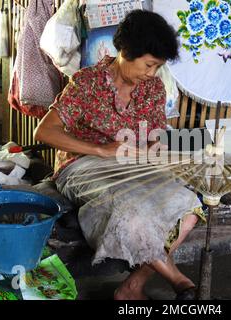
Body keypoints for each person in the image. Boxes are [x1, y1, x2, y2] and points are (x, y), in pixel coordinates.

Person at [34, 10, 203, 300]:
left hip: (132, 164)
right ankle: (177, 279)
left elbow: (155, 135)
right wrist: (101, 149)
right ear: (126, 51)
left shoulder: (153, 88)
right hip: (83, 163)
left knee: (187, 206)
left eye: (157, 67)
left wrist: (160, 149)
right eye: (148, 65)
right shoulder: (87, 82)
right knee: (130, 212)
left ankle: (132, 286)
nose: (151, 73)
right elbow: (44, 132)